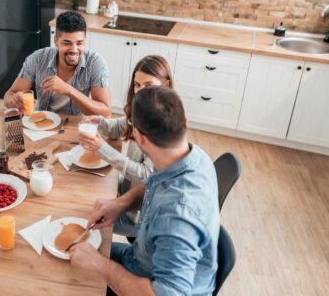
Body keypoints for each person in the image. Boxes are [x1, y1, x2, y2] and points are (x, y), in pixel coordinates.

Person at [69, 86, 219, 296]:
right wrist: (122, 203)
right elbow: (153, 180)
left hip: (148, 284)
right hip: (139, 260)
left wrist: (100, 265)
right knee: (68, 255)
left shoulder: (176, 217)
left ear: (138, 137)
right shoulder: (189, 154)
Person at [77, 55, 173, 237]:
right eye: (137, 85)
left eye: (148, 85)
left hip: (136, 214)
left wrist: (102, 149)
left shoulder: (165, 125)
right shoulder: (144, 109)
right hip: (124, 190)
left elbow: (146, 175)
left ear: (166, 85)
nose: (140, 91)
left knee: (77, 213)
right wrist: (101, 122)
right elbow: (121, 127)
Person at [3, 11, 111, 117]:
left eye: (79, 43)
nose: (74, 49)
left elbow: (106, 114)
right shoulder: (37, 58)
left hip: (75, 126)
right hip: (41, 122)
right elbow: (9, 95)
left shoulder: (95, 63)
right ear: (56, 41)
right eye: (67, 43)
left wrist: (69, 90)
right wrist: (13, 100)